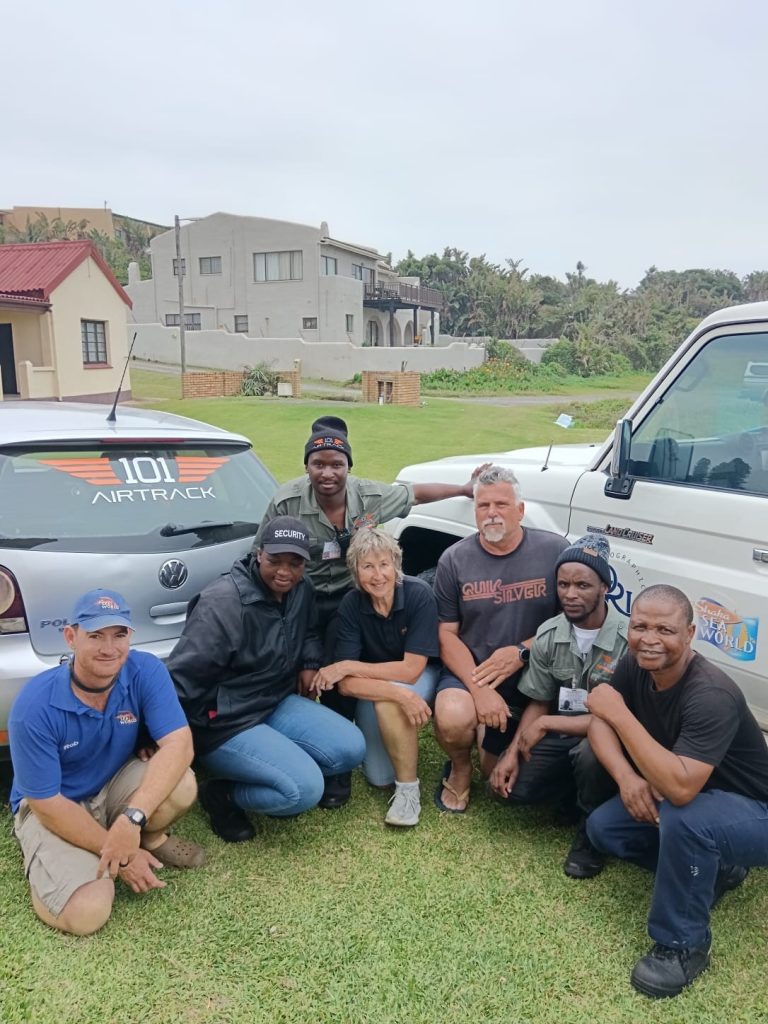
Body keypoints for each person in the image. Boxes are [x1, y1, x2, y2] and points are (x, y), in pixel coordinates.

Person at [255, 415, 485, 808]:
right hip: (305, 594)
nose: (327, 472)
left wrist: (465, 488)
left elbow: (415, 494)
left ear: (349, 466)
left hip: (353, 593)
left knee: (342, 671)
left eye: (336, 464)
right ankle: (324, 754)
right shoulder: (287, 500)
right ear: (307, 465)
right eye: (318, 464)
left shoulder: (369, 497)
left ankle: (342, 760)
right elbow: (265, 550)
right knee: (307, 673)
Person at [584, 585, 768, 999]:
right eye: (639, 626)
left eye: (664, 629)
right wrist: (629, 781)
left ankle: (684, 944)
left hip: (756, 812)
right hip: (699, 795)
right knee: (605, 829)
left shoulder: (710, 693)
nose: (649, 639)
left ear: (690, 634)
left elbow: (681, 790)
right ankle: (718, 869)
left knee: (686, 819)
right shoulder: (635, 664)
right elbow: (599, 722)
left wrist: (617, 712)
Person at [8, 589, 204, 936]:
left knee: (183, 782)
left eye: (118, 635)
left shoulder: (145, 670)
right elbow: (45, 802)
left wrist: (133, 819)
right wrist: (120, 856)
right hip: (55, 803)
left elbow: (179, 744)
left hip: (111, 785)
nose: (109, 648)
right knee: (88, 913)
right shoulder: (34, 706)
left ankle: (147, 837)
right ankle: (51, 863)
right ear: (71, 637)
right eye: (95, 635)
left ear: (131, 636)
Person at [167, 516, 366, 842]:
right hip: (224, 719)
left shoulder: (302, 589)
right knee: (303, 790)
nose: (285, 572)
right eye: (275, 560)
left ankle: (274, 759)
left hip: (274, 699)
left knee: (351, 747)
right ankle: (220, 795)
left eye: (295, 563)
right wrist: (158, 737)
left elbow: (309, 631)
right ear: (258, 553)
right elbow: (182, 679)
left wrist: (309, 662)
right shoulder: (223, 603)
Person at [432, 465, 568, 811]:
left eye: (501, 505)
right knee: (451, 714)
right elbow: (446, 635)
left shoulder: (554, 551)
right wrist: (478, 691)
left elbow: (571, 620)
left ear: (520, 510)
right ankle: (460, 769)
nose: (491, 513)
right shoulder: (454, 559)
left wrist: (521, 652)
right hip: (474, 670)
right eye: (483, 506)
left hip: (533, 674)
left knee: (505, 780)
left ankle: (491, 742)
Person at [489, 534, 627, 877]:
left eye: (583, 585)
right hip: (563, 730)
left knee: (591, 754)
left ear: (604, 587)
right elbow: (539, 699)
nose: (570, 593)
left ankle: (590, 830)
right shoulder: (549, 634)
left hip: (609, 738)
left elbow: (619, 720)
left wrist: (547, 725)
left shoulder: (628, 641)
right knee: (515, 790)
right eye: (563, 584)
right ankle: (574, 792)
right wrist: (512, 753)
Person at [313, 529, 439, 827]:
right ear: (355, 571)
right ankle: (390, 767)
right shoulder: (352, 605)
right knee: (379, 778)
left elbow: (411, 670)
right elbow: (345, 686)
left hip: (423, 674)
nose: (378, 575)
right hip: (382, 686)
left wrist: (347, 666)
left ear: (396, 564)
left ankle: (409, 792)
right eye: (367, 566)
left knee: (388, 701)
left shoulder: (419, 594)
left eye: (384, 564)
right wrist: (398, 693)